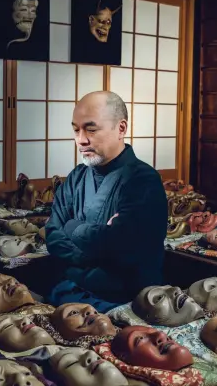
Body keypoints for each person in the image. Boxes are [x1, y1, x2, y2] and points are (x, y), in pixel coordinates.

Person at [45, 91, 168, 309]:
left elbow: (123, 249)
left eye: (91, 129)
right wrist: (96, 245)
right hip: (71, 291)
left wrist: (73, 227)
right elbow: (53, 236)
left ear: (121, 128)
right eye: (76, 129)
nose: (81, 140)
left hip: (123, 301)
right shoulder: (78, 177)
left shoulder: (143, 180)